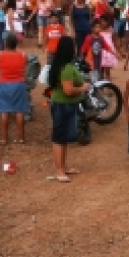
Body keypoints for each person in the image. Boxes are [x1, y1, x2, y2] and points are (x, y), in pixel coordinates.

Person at [48, 36, 89, 183]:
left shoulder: (60, 65)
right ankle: (59, 170)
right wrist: (83, 88)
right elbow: (68, 90)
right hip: (63, 104)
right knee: (59, 137)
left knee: (62, 137)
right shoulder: (66, 68)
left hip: (64, 104)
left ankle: (63, 166)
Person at [0, 32, 29, 145]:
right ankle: (21, 138)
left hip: (4, 83)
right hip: (19, 83)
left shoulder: (0, 55)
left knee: (4, 111)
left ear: (5, 43)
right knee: (19, 111)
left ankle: (4, 138)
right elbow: (25, 66)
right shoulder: (22, 55)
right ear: (16, 43)